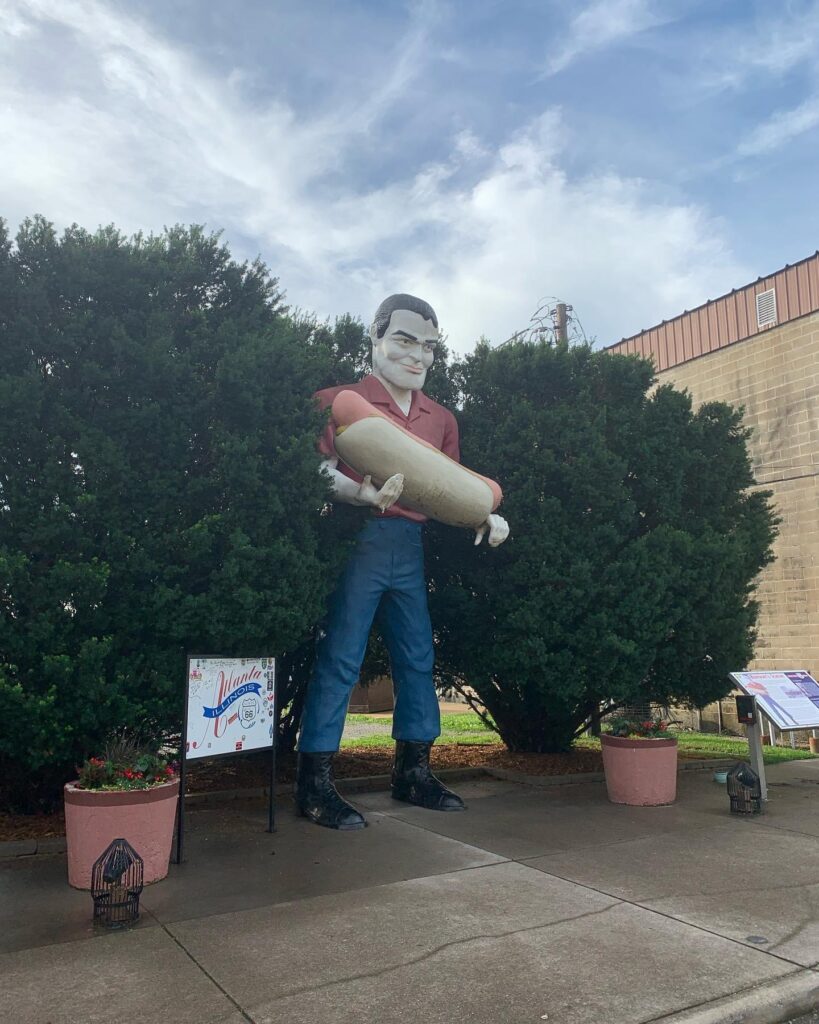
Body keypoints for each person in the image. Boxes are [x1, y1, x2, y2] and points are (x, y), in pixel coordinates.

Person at [296, 293, 509, 830]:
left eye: (429, 348)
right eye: (405, 341)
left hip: (409, 549)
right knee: (343, 656)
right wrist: (359, 495)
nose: (417, 357)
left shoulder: (440, 419)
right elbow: (312, 466)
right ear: (376, 339)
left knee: (417, 656)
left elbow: (448, 489)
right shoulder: (339, 398)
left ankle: (413, 772)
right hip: (361, 540)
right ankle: (315, 782)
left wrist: (483, 516)